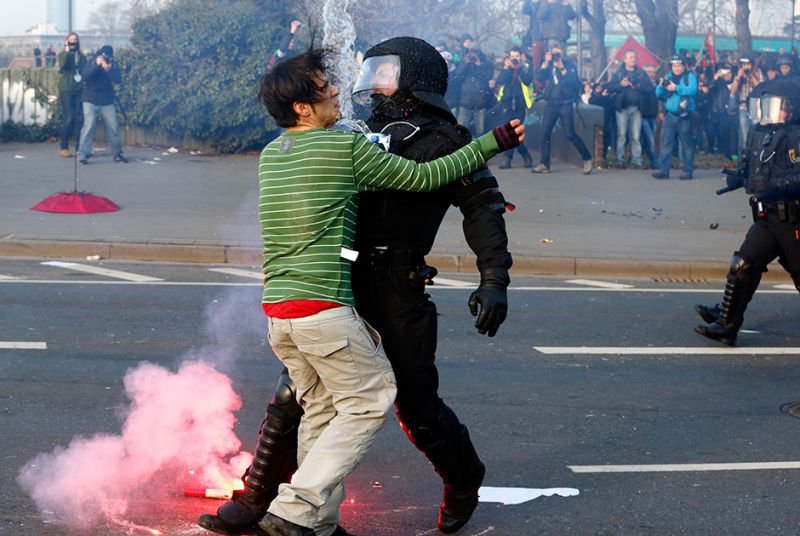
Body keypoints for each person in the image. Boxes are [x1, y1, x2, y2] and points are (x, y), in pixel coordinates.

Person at [198, 47, 525, 536]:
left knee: (415, 406)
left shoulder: (444, 140)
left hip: (398, 286)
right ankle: (265, 500)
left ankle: (462, 480)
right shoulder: (346, 134)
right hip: (341, 283)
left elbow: (482, 206)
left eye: (385, 72)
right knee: (299, 397)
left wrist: (494, 277)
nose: (368, 83)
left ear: (415, 78)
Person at [695, 79, 800, 346]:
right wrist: (739, 175)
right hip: (767, 217)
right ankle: (727, 324)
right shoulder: (759, 131)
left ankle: (727, 316)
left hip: (791, 218)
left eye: (780, 107)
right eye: (768, 106)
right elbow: (750, 162)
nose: (773, 113)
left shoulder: (796, 136)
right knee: (743, 264)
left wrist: (771, 185)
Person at [532, 45, 593, 174]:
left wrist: (562, 68)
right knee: (545, 133)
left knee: (570, 133)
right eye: (553, 54)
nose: (555, 57)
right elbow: (539, 77)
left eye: (557, 54)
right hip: (552, 104)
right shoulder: (549, 66)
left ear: (562, 54)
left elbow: (575, 82)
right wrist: (545, 63)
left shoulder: (569, 65)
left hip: (565, 104)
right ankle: (544, 163)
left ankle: (587, 158)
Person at [77, 45, 127, 164]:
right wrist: (97, 65)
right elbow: (85, 76)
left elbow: (118, 80)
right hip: (90, 99)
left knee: (113, 126)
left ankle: (117, 153)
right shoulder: (92, 61)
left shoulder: (112, 64)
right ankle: (83, 154)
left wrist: (108, 70)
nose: (105, 58)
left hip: (106, 100)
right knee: (88, 126)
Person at [652, 55, 697, 180]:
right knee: (666, 143)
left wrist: (676, 88)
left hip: (685, 115)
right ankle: (663, 170)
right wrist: (661, 86)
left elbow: (692, 90)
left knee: (686, 145)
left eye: (679, 65)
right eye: (674, 66)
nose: (676, 68)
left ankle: (687, 171)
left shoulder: (689, 76)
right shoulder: (668, 77)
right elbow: (658, 94)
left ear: (683, 66)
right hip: (670, 114)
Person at [606, 49, 652, 169]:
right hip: (622, 109)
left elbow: (649, 88)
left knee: (636, 136)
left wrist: (638, 86)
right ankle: (620, 160)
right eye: (630, 57)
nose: (633, 59)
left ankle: (637, 160)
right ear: (625, 59)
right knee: (621, 135)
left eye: (634, 57)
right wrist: (620, 85)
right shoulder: (619, 73)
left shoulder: (641, 73)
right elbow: (609, 87)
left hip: (637, 108)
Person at [492, 46, 534, 169]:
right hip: (507, 104)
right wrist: (507, 68)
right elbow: (500, 80)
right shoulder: (507, 68)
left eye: (516, 56)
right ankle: (525, 155)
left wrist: (519, 68)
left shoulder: (526, 67)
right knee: (507, 132)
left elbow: (527, 81)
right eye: (512, 56)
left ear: (521, 56)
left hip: (520, 105)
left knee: (515, 132)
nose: (514, 59)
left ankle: (508, 158)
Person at [56, 33, 86, 158]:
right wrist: (67, 51)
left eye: (75, 41)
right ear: (67, 42)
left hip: (79, 89)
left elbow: (85, 71)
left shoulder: (82, 56)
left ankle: (80, 147)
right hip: (67, 90)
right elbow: (62, 66)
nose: (73, 43)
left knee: (79, 119)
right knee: (69, 118)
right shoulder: (63, 55)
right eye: (71, 41)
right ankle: (64, 146)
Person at [453, 47, 494, 136]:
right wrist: (465, 63)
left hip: (480, 103)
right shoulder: (466, 63)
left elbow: (487, 77)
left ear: (480, 54)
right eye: (471, 53)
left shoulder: (486, 64)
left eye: (475, 53)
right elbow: (458, 74)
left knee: (480, 131)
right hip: (465, 102)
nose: (473, 56)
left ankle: (479, 149)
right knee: (461, 130)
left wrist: (478, 64)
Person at [730, 55, 763, 153]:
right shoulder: (739, 75)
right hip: (743, 106)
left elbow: (760, 87)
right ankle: (746, 156)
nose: (746, 67)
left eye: (747, 64)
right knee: (745, 134)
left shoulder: (758, 72)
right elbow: (732, 91)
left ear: (752, 65)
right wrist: (738, 77)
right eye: (743, 65)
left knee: (756, 132)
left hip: (755, 106)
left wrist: (751, 75)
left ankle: (756, 155)